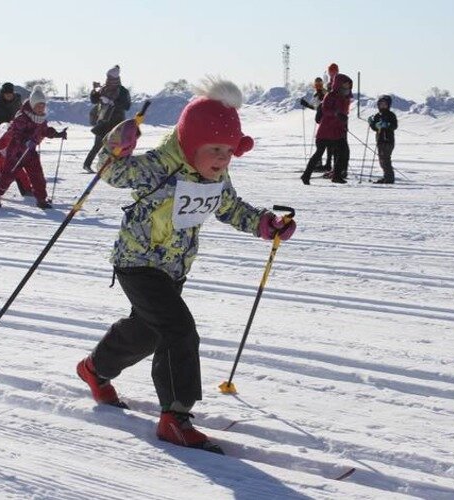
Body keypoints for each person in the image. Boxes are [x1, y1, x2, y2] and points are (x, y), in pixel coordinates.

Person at [76, 77, 297, 452]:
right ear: (191, 143)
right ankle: (174, 418)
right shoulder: (161, 165)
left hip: (174, 267)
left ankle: (95, 369)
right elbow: (113, 173)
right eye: (214, 149)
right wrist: (115, 147)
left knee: (148, 332)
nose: (223, 159)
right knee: (178, 329)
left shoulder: (216, 174)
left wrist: (264, 224)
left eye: (228, 150)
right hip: (138, 261)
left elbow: (228, 206)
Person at [0, 86, 66, 209]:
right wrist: (26, 141)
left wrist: (58, 134)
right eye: (38, 106)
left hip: (30, 152)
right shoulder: (22, 117)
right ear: (32, 105)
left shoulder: (41, 118)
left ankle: (41, 199)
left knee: (38, 176)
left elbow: (44, 130)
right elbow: (16, 133)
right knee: (7, 175)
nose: (41, 109)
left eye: (43, 106)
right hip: (16, 152)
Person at [300, 73, 352, 185]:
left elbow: (344, 112)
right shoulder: (330, 96)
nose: (347, 87)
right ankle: (306, 175)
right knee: (319, 153)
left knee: (343, 152)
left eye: (348, 85)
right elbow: (325, 110)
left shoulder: (346, 98)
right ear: (339, 84)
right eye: (345, 85)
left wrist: (343, 120)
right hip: (326, 131)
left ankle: (336, 175)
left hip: (338, 131)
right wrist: (337, 114)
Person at [82, 65, 131, 172]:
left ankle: (114, 167)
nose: (108, 80)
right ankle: (87, 164)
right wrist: (94, 91)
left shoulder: (122, 91)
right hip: (103, 121)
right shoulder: (103, 89)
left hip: (117, 123)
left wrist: (112, 102)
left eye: (110, 77)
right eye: (108, 77)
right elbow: (94, 100)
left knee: (117, 146)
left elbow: (127, 106)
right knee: (98, 145)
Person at [0, 82, 30, 196]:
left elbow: (20, 113)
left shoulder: (17, 101)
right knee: (2, 159)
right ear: (2, 93)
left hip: (13, 133)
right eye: (7, 94)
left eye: (11, 93)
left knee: (12, 161)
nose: (9, 96)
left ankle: (25, 189)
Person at [298, 78, 332, 173]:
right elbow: (316, 107)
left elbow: (324, 105)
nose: (318, 86)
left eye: (319, 85)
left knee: (325, 143)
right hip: (322, 121)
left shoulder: (324, 93)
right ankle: (322, 163)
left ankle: (327, 164)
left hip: (327, 121)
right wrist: (306, 105)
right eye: (316, 85)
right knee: (323, 143)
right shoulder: (316, 94)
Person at [368, 95, 398, 184]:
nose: (382, 106)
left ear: (388, 105)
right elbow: (375, 128)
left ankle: (389, 178)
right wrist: (372, 123)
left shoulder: (391, 115)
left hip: (388, 140)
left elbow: (394, 126)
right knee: (382, 160)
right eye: (380, 104)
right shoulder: (377, 115)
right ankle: (386, 176)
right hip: (380, 140)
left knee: (386, 159)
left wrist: (387, 125)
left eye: (384, 104)